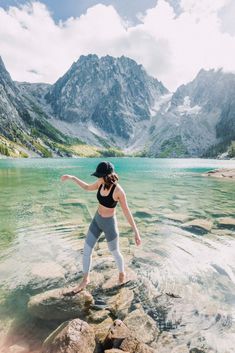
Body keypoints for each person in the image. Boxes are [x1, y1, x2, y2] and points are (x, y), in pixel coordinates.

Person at [60, 161, 141, 295]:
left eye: (100, 175)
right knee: (86, 249)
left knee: (114, 252)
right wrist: (72, 178)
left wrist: (136, 233)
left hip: (110, 224)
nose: (98, 178)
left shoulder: (118, 191)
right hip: (97, 221)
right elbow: (86, 187)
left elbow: (127, 212)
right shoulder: (100, 183)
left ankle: (122, 274)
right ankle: (86, 279)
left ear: (107, 175)